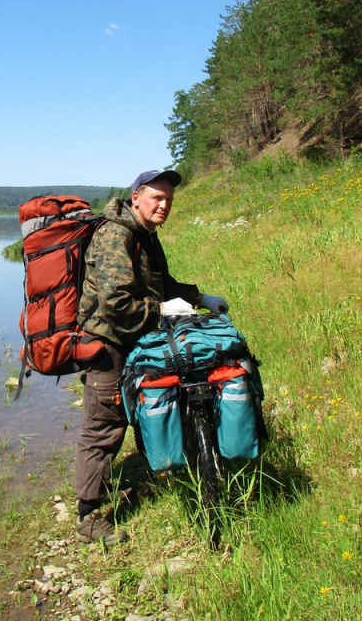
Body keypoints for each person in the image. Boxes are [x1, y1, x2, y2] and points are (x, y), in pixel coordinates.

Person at [73, 169, 228, 545]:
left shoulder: (145, 235)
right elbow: (116, 305)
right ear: (136, 197)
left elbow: (162, 284)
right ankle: (89, 517)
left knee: (144, 408)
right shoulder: (115, 235)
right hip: (105, 344)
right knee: (104, 427)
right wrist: (164, 312)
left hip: (134, 340)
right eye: (157, 198)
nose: (164, 205)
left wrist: (198, 298)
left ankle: (149, 466)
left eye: (169, 200)